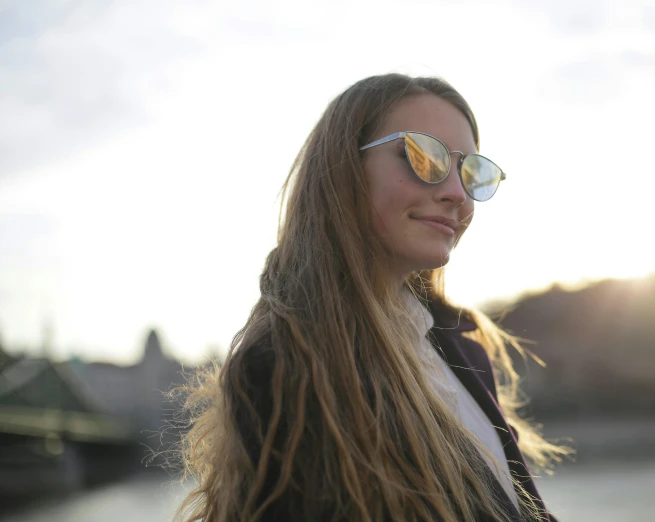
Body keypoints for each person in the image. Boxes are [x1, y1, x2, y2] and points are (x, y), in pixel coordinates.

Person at [174, 73, 569, 522]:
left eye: (470, 172)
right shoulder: (286, 365)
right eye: (424, 157)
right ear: (344, 170)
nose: (457, 194)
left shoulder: (464, 351)